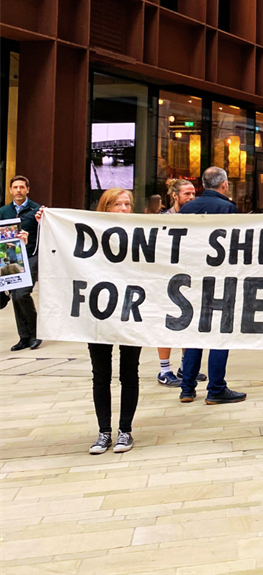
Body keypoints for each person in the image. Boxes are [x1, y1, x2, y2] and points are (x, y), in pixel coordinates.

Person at [177, 167, 247, 405]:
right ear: (224, 185)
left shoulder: (186, 208)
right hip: (219, 278)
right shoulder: (227, 208)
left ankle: (187, 388)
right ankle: (216, 388)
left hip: (191, 279)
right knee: (219, 333)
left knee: (194, 331)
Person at [87, 188, 142, 454]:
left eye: (127, 204)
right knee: (101, 375)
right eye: (117, 204)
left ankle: (125, 430)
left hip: (132, 313)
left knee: (129, 373)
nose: (123, 208)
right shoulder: (89, 233)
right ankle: (103, 431)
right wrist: (45, 225)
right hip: (98, 314)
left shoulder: (140, 234)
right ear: (105, 207)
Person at [156, 178, 201, 386]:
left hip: (189, 277)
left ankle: (186, 367)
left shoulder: (198, 218)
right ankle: (164, 369)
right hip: (166, 277)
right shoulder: (163, 218)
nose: (191, 198)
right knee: (167, 324)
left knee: (188, 322)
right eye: (187, 194)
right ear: (175, 196)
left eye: (193, 194)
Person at [0, 175, 42, 350]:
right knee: (15, 296)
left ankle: (35, 334)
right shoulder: (4, 211)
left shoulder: (37, 210)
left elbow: (46, 233)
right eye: (15, 187)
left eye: (22, 187)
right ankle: (24, 337)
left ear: (27, 190)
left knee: (22, 294)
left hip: (31, 255)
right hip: (10, 258)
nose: (18, 190)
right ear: (10, 190)